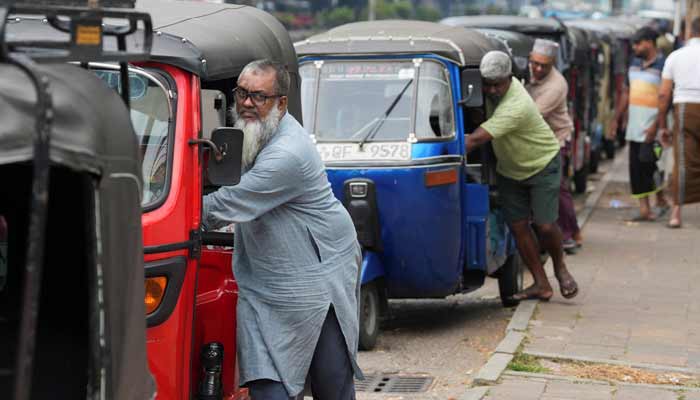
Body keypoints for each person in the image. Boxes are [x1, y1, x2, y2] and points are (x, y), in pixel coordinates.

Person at [202, 59, 362, 399]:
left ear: (281, 103)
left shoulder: (289, 152)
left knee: (330, 384)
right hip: (265, 283)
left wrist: (165, 215)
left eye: (258, 96)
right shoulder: (253, 133)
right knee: (266, 383)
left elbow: (228, 202)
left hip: (319, 277)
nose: (246, 103)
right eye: (242, 93)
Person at [465, 51, 579, 301]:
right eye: (488, 84)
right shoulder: (486, 92)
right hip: (510, 170)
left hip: (541, 163)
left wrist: (439, 149)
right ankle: (541, 283)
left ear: (510, 78)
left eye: (498, 84)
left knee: (545, 225)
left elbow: (475, 140)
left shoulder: (516, 105)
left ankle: (560, 268)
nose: (492, 90)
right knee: (518, 228)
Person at [525, 38, 582, 255]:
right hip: (535, 140)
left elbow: (531, 116)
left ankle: (567, 235)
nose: (538, 69)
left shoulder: (556, 85)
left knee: (556, 188)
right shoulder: (527, 72)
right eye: (535, 63)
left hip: (555, 139)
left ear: (553, 64)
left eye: (544, 66)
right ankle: (571, 230)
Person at [610, 26, 670, 222]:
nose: (635, 47)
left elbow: (665, 99)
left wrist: (657, 128)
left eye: (638, 43)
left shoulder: (663, 66)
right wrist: (616, 118)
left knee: (653, 167)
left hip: (654, 129)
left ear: (649, 44)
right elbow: (626, 93)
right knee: (636, 169)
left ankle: (659, 202)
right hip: (634, 128)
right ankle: (646, 208)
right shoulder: (634, 64)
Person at [657, 17, 700, 228]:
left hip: (685, 109)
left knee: (682, 159)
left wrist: (662, 124)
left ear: (690, 31)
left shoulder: (676, 56)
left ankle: (676, 214)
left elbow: (664, 94)